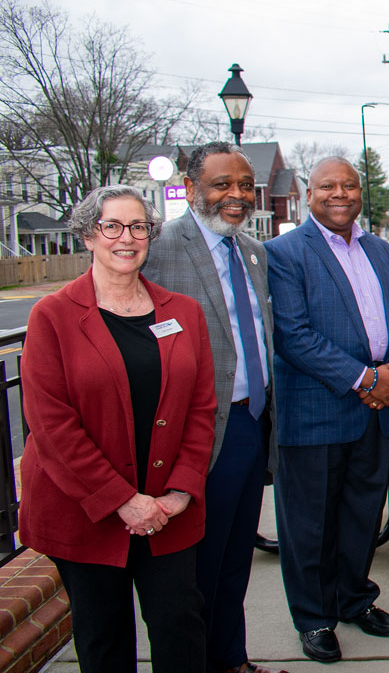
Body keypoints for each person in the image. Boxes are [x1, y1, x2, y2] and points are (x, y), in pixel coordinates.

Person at [20, 185, 216, 672]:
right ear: (88, 235)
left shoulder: (184, 313)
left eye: (139, 227)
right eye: (112, 226)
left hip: (169, 511)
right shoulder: (53, 316)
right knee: (103, 639)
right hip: (87, 512)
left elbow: (201, 410)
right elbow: (51, 425)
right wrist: (122, 500)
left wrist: (180, 493)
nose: (126, 238)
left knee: (181, 630)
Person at [141, 141, 284, 673]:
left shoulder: (252, 251)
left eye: (245, 185)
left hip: (250, 425)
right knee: (192, 571)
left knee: (232, 562)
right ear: (193, 185)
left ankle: (231, 659)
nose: (237, 195)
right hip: (195, 435)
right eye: (223, 184)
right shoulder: (157, 248)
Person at [266, 156, 389, 663]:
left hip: (377, 407)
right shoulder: (284, 253)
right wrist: (367, 379)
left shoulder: (382, 251)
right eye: (328, 186)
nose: (340, 194)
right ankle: (314, 618)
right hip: (316, 409)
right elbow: (293, 335)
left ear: (359, 193)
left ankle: (354, 599)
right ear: (309, 194)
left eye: (349, 185)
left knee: (360, 515)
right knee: (309, 524)